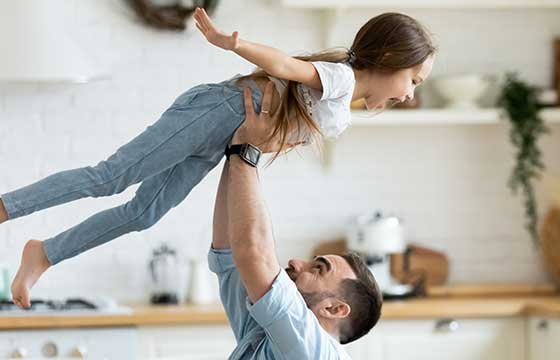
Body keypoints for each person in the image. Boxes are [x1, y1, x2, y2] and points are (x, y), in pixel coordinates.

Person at [0, 8, 436, 308]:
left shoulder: (341, 110)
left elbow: (272, 134)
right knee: (110, 177)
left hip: (225, 134)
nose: (410, 93)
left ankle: (45, 253)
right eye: (412, 79)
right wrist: (234, 44)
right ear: (391, 59)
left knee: (144, 213)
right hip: (219, 109)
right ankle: (7, 207)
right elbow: (285, 65)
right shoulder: (340, 78)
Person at [210, 77, 382, 359]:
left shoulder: (314, 350)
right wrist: (236, 147)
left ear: (333, 309)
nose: (295, 262)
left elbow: (253, 254)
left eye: (318, 269)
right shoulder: (269, 332)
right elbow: (228, 253)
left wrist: (246, 150)